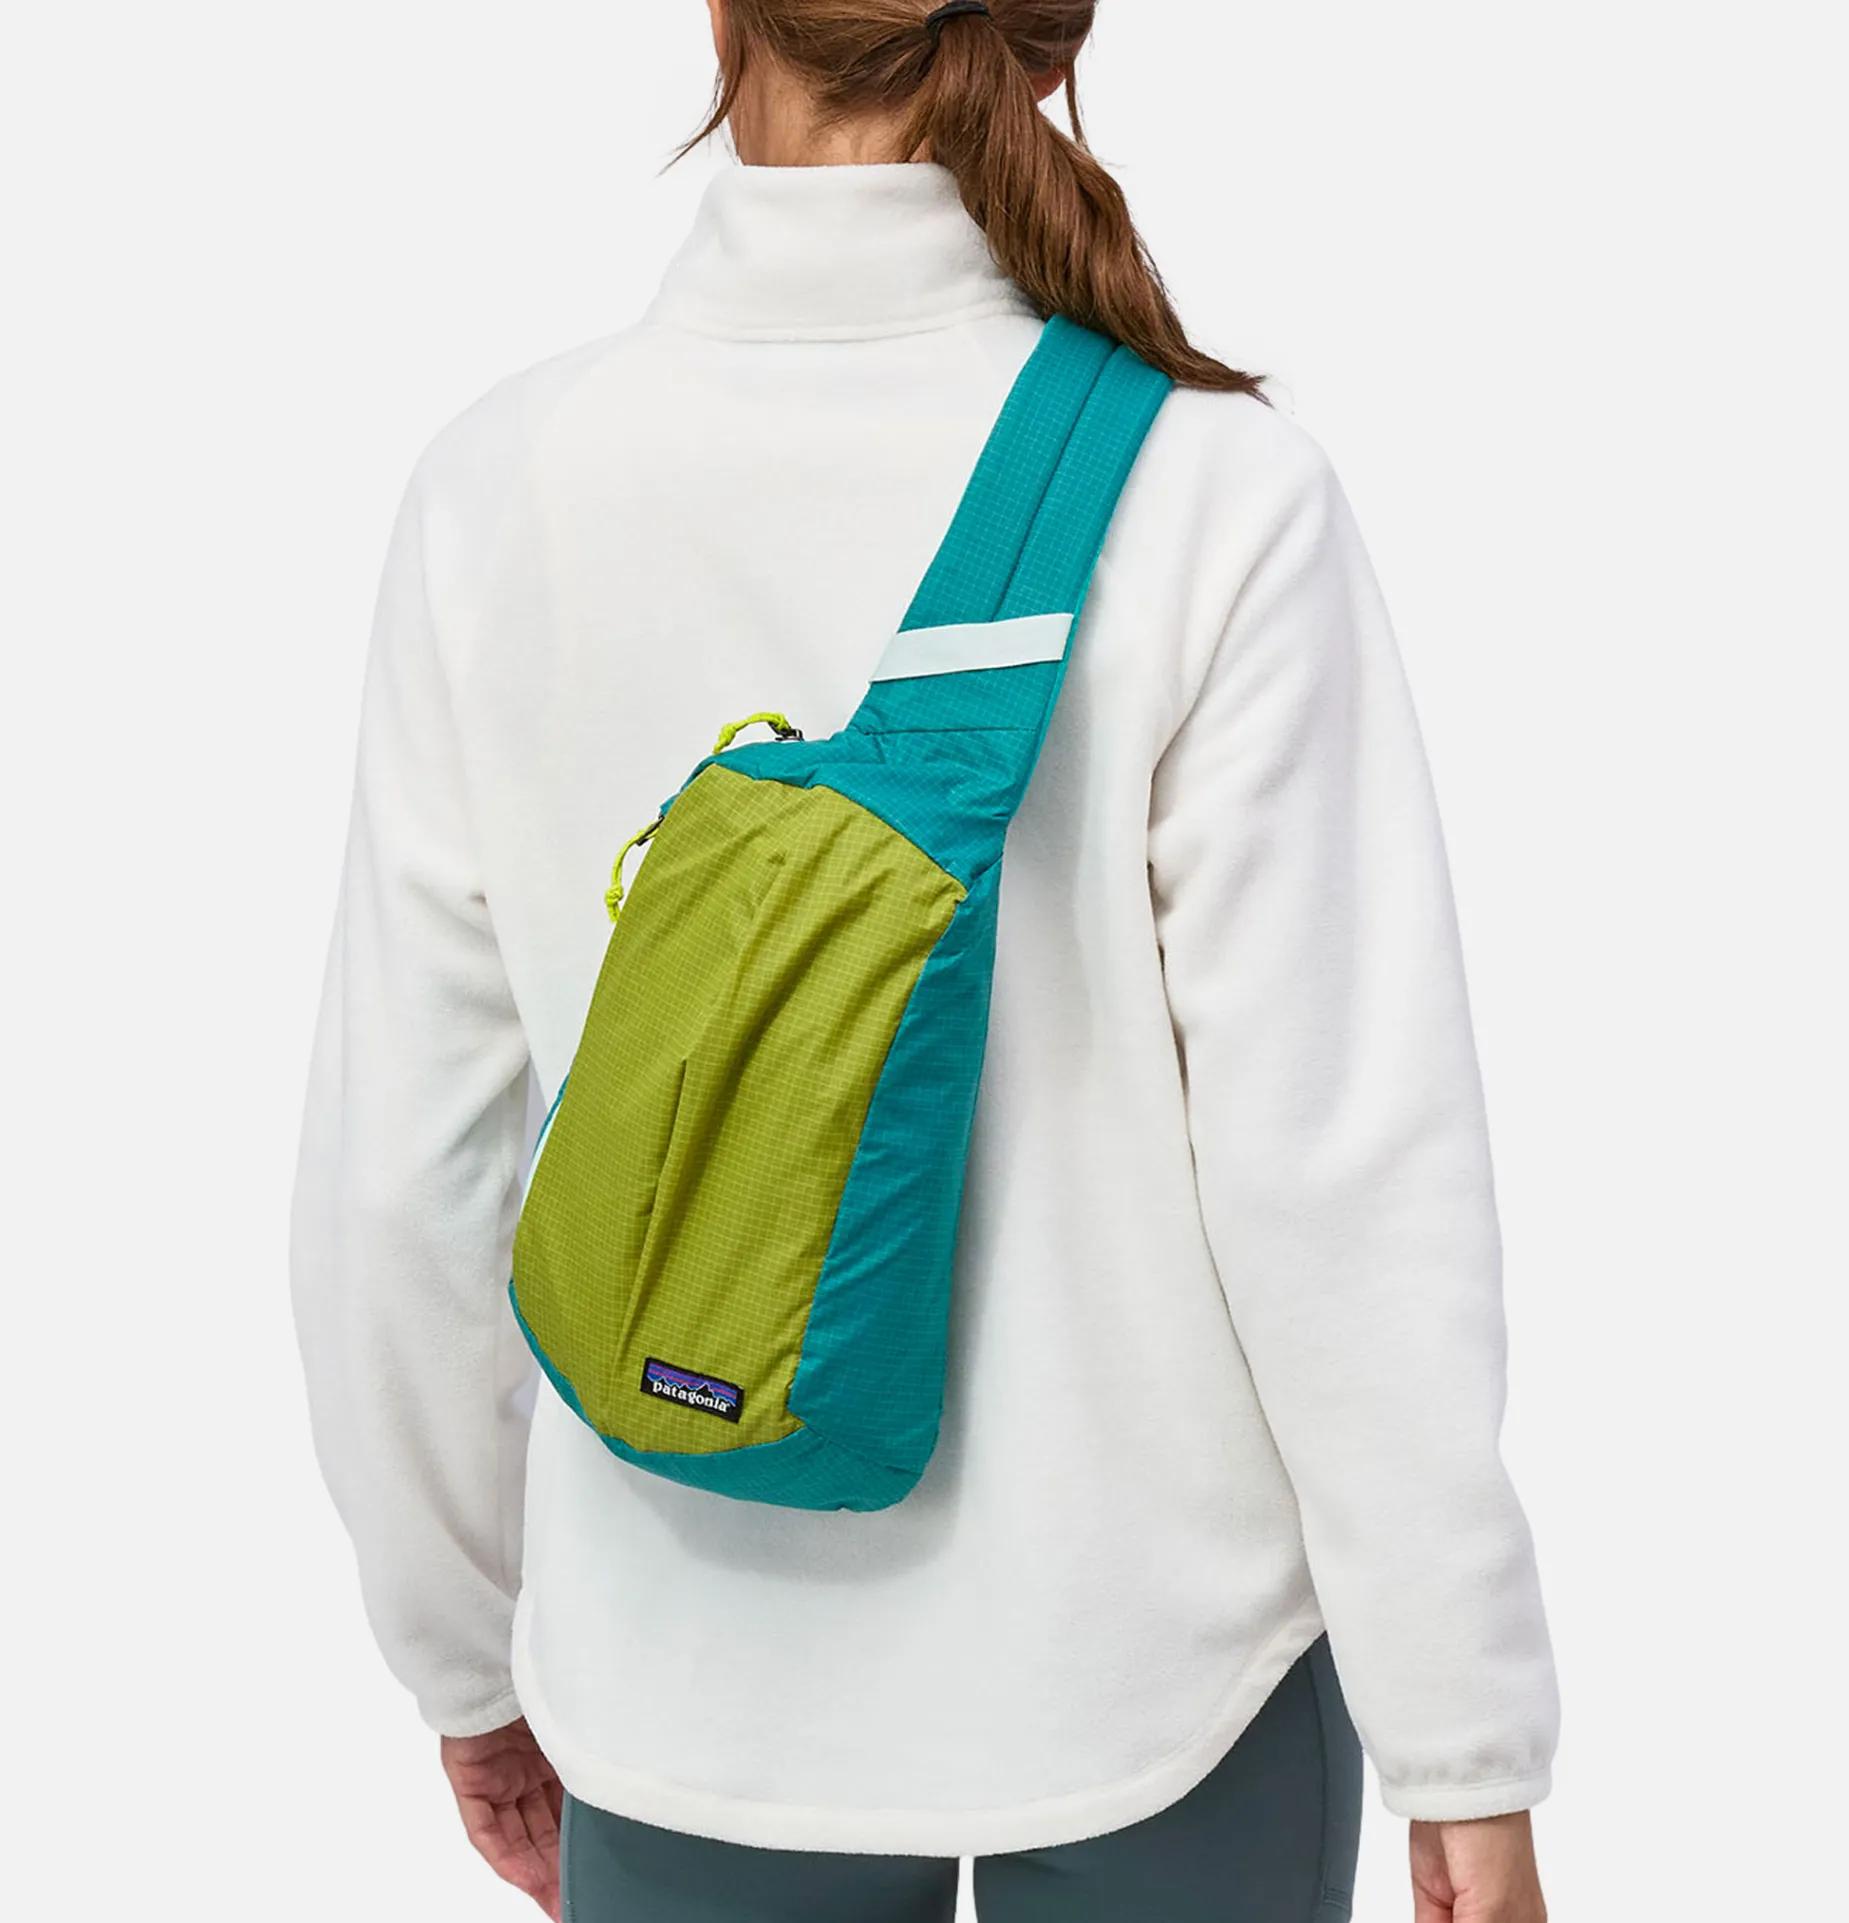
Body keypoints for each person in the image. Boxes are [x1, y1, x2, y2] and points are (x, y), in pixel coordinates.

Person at [290, 3, 1559, 1918]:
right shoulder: (1214, 495)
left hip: (683, 1681)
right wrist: (1464, 1743)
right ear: (1049, 43)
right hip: (1165, 1680)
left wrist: (460, 1652)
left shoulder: (500, 488)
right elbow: (1341, 1188)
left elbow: (403, 1185)